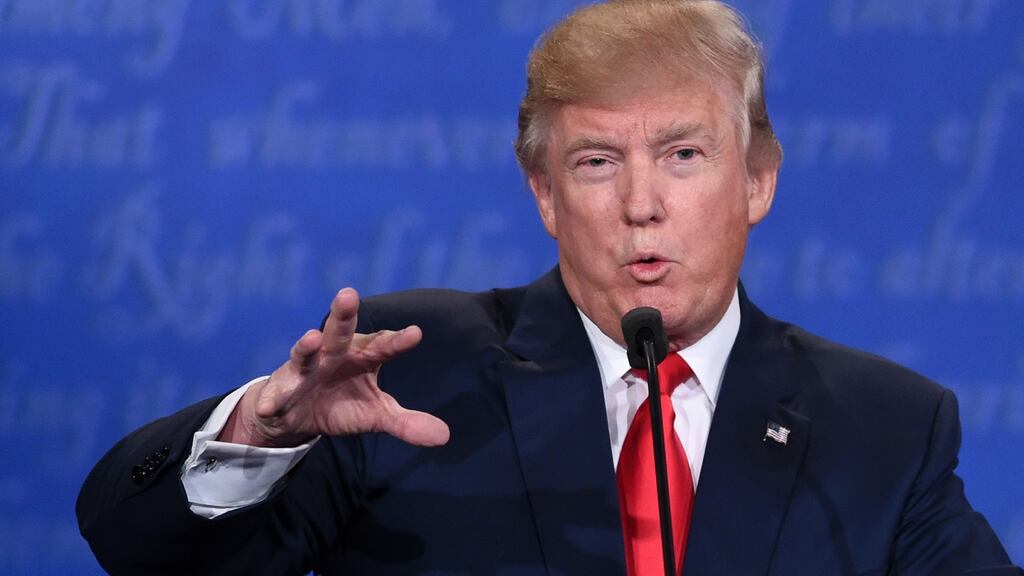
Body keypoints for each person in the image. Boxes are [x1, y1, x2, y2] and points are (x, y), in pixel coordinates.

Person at [77, 1, 1021, 574]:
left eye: (683, 155)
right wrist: (261, 434)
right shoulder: (410, 374)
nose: (642, 204)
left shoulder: (882, 427)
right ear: (544, 194)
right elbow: (140, 551)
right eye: (598, 162)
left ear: (759, 179)